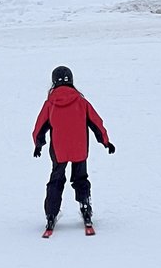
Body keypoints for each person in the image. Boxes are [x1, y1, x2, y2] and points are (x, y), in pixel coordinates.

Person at [32, 66, 115, 232]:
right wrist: (105, 141)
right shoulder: (81, 102)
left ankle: (51, 214)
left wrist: (38, 144)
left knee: (56, 180)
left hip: (59, 150)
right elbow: (96, 122)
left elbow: (39, 127)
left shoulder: (50, 104)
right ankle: (85, 207)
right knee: (80, 179)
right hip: (79, 148)